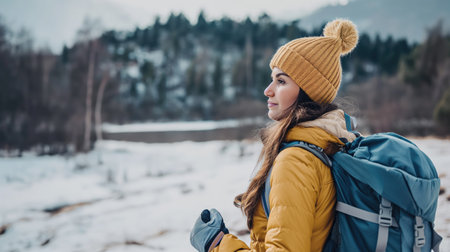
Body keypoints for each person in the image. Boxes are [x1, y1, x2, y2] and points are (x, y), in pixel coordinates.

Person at [190, 18, 359, 252]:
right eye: (272, 79)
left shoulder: (296, 161)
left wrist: (217, 245)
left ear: (307, 92)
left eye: (281, 81)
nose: (267, 90)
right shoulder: (329, 145)